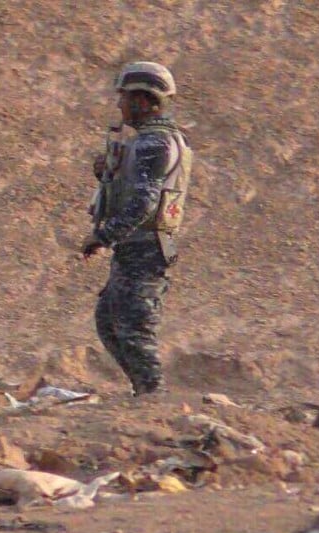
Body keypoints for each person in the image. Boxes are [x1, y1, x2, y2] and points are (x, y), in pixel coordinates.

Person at [81, 61, 193, 398]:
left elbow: (144, 203)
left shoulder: (153, 143)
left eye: (125, 97)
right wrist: (108, 175)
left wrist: (102, 236)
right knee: (109, 320)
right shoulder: (149, 141)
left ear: (144, 101)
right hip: (137, 247)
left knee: (134, 330)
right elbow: (136, 192)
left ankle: (152, 398)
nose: (120, 104)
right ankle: (144, 392)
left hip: (146, 247)